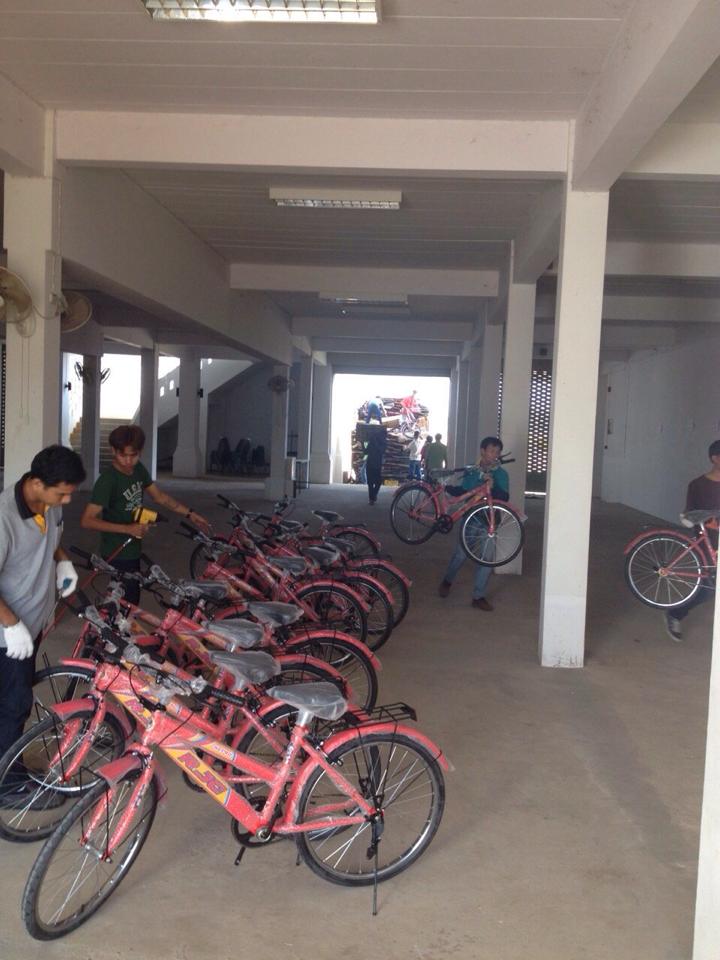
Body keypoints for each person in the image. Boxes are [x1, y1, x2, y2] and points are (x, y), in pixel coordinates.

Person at [0, 445, 86, 790]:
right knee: (14, 704)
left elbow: (52, 537)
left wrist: (61, 560)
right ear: (37, 483)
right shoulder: (4, 517)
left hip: (30, 625)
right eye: (62, 493)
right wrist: (10, 624)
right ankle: (8, 785)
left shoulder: (47, 504)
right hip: (9, 636)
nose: (67, 500)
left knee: (12, 699)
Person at [81, 425, 210, 604]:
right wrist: (127, 529)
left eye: (133, 455)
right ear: (113, 451)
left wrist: (189, 513)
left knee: (131, 599)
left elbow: (159, 497)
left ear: (140, 452)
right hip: (116, 551)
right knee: (126, 601)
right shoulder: (108, 481)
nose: (128, 461)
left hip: (133, 547)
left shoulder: (138, 470)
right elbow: (87, 520)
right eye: (122, 455)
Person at [437, 436, 508, 612]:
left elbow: (505, 497)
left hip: (490, 520)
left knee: (486, 559)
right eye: (492, 451)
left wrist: (493, 486)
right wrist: (446, 488)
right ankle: (447, 581)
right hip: (471, 518)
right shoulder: (472, 470)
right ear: (483, 451)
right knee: (461, 554)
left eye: (497, 452)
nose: (495, 455)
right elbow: (463, 490)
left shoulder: (501, 473)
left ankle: (478, 596)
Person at [665, 439, 720, 641]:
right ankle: (675, 614)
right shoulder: (698, 485)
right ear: (715, 458)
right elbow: (689, 515)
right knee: (708, 590)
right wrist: (708, 522)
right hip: (708, 543)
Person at [365, 426, 387, 505]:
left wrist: (365, 443)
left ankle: (372, 498)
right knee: (377, 482)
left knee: (370, 483)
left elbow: (365, 452)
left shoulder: (371, 440)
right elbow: (382, 451)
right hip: (377, 464)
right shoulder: (383, 442)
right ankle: (373, 497)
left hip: (370, 463)